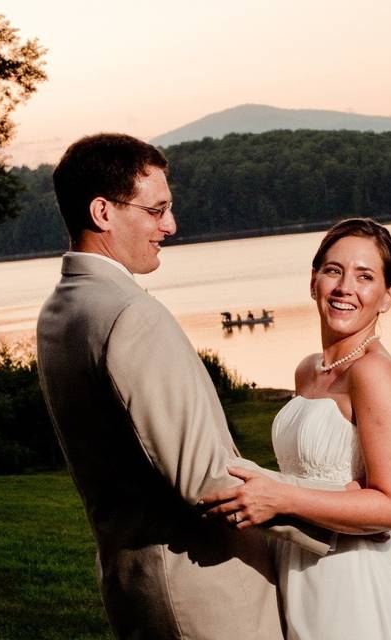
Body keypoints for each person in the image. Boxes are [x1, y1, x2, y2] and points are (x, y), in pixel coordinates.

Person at [36, 133, 339, 640]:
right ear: (103, 212)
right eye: (156, 211)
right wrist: (334, 516)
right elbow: (207, 481)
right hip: (202, 596)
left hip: (133, 584)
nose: (170, 226)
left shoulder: (59, 311)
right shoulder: (132, 315)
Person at [202, 218, 391, 639]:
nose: (346, 287)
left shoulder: (375, 373)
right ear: (314, 282)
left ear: (388, 295)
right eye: (334, 270)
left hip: (353, 579)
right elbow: (310, 476)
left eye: (365, 276)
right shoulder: (309, 370)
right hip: (297, 565)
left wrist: (280, 497)